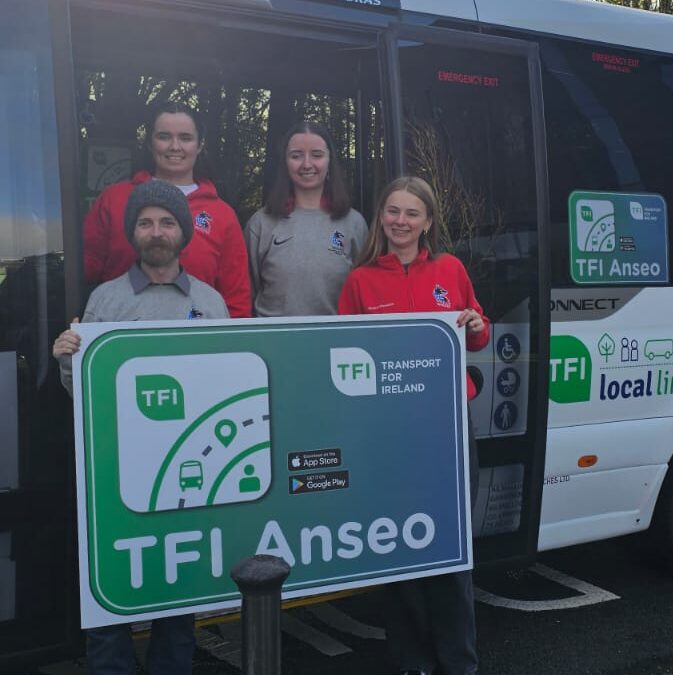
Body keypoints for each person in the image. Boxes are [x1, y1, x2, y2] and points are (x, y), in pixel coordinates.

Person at [53, 180, 229, 675]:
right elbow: (82, 391)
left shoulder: (211, 302)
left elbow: (226, 379)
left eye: (167, 222)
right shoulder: (105, 300)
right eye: (146, 223)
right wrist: (67, 358)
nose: (156, 232)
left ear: (183, 232)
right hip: (117, 473)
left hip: (187, 473)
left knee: (178, 591)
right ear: (132, 233)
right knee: (109, 594)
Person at [338, 176, 488, 675]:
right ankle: (412, 662)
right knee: (398, 547)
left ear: (428, 222)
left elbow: (478, 333)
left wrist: (475, 324)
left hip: (447, 426)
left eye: (411, 213)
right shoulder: (360, 280)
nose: (400, 221)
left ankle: (458, 661)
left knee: (450, 544)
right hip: (389, 432)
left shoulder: (451, 269)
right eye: (392, 211)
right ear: (381, 217)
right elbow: (344, 353)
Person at [83, 101, 251, 317]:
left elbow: (236, 300)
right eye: (164, 137)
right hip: (123, 332)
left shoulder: (222, 214)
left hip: (194, 334)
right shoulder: (113, 200)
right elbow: (84, 274)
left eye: (185, 138)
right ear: (150, 143)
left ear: (200, 145)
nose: (175, 146)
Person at [245, 120, 367, 316]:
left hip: (336, 334)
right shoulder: (261, 223)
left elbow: (363, 292)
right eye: (296, 156)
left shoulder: (353, 223)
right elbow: (247, 292)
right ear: (285, 162)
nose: (307, 164)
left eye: (317, 155)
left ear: (329, 160)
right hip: (274, 334)